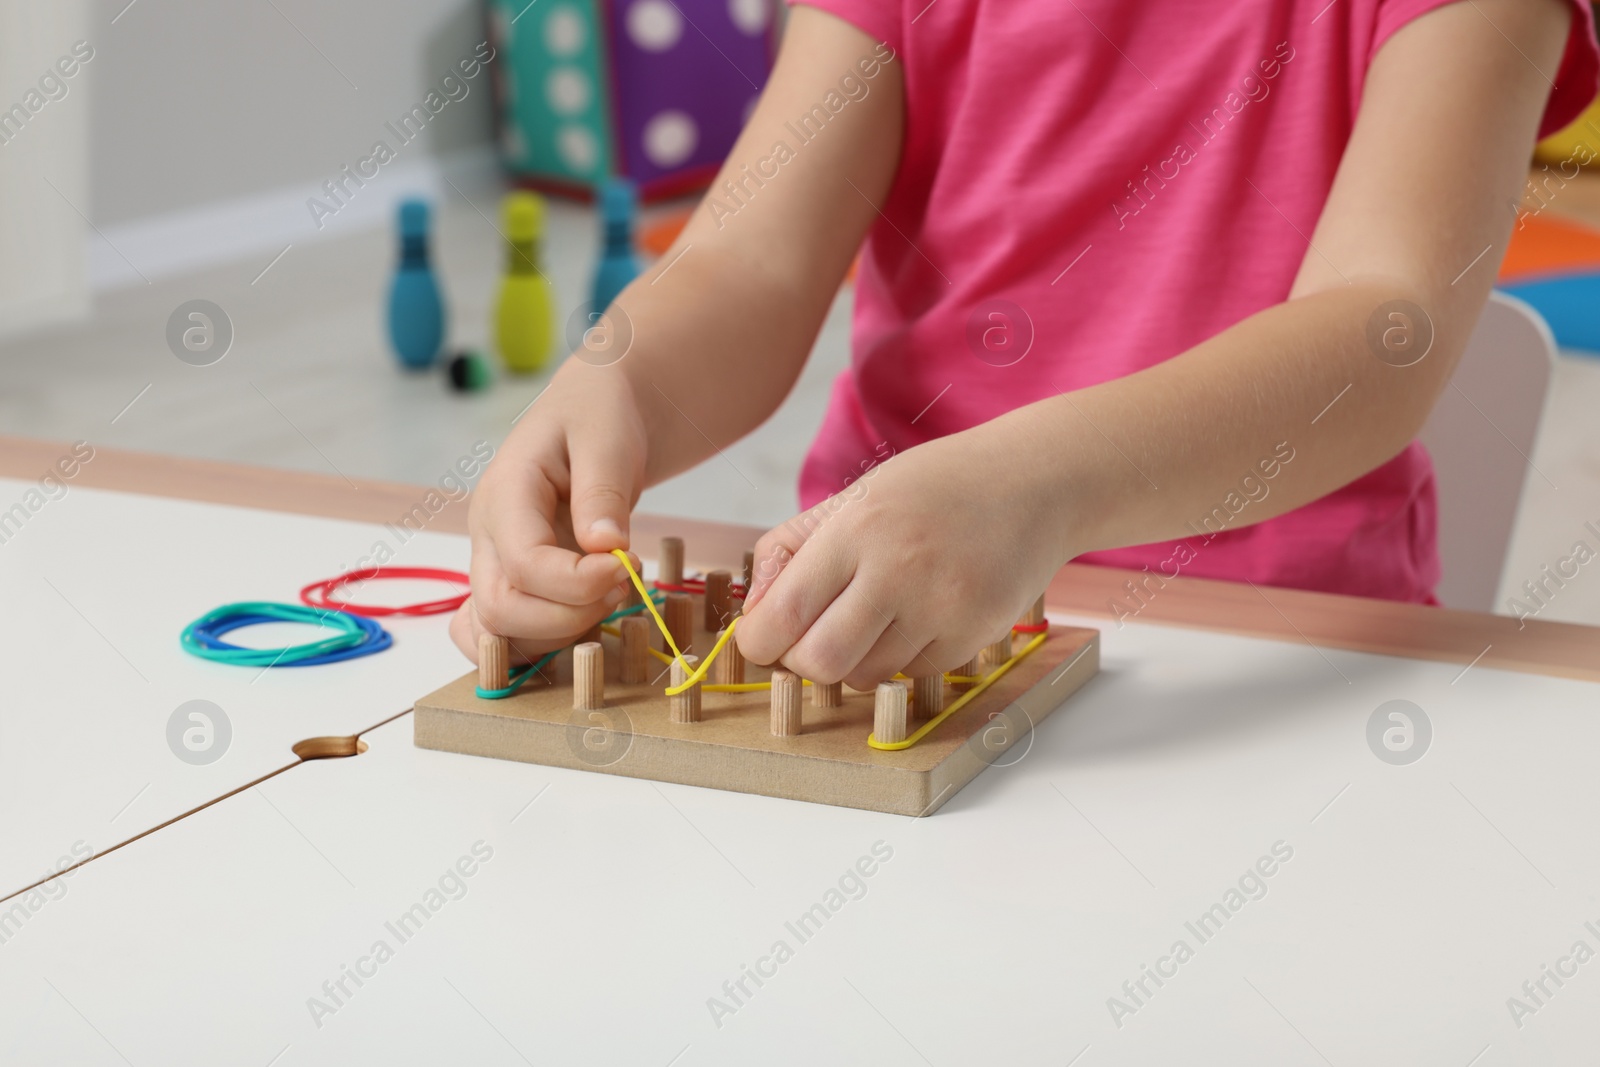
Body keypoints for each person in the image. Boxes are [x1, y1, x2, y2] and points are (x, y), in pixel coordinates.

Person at [452, 0, 1599, 690]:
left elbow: (1383, 320)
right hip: (863, 626)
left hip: (1277, 658)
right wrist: (618, 383)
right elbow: (752, 263)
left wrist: (1036, 486)